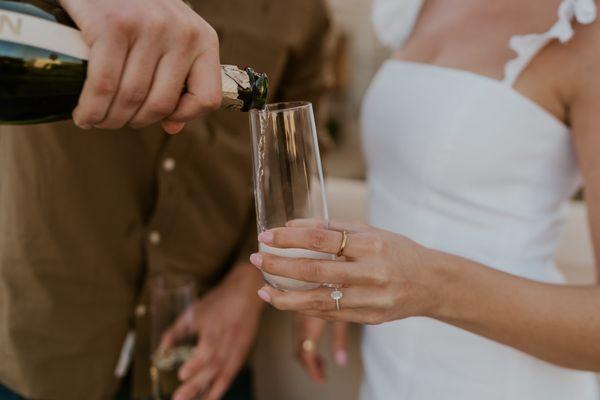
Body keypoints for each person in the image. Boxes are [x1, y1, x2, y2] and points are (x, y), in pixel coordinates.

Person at [249, 0, 600, 399]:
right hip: (390, 374)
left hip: (502, 382)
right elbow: (414, 188)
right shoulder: (419, 6)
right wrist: (342, 277)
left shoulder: (588, 33)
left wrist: (430, 286)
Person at [0, 0, 332, 399]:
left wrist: (248, 292)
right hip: (46, 348)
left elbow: (296, 160)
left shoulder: (304, 11)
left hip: (201, 362)